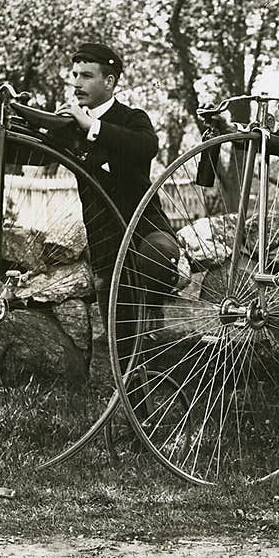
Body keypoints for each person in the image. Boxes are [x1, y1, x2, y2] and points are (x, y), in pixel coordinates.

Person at [52, 43, 179, 338]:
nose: (77, 83)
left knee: (161, 254)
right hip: (106, 243)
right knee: (119, 335)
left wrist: (93, 126)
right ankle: (128, 374)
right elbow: (28, 155)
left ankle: (152, 307)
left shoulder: (133, 118)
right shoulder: (69, 126)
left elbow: (146, 146)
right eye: (75, 75)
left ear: (109, 81)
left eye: (86, 75)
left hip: (145, 229)